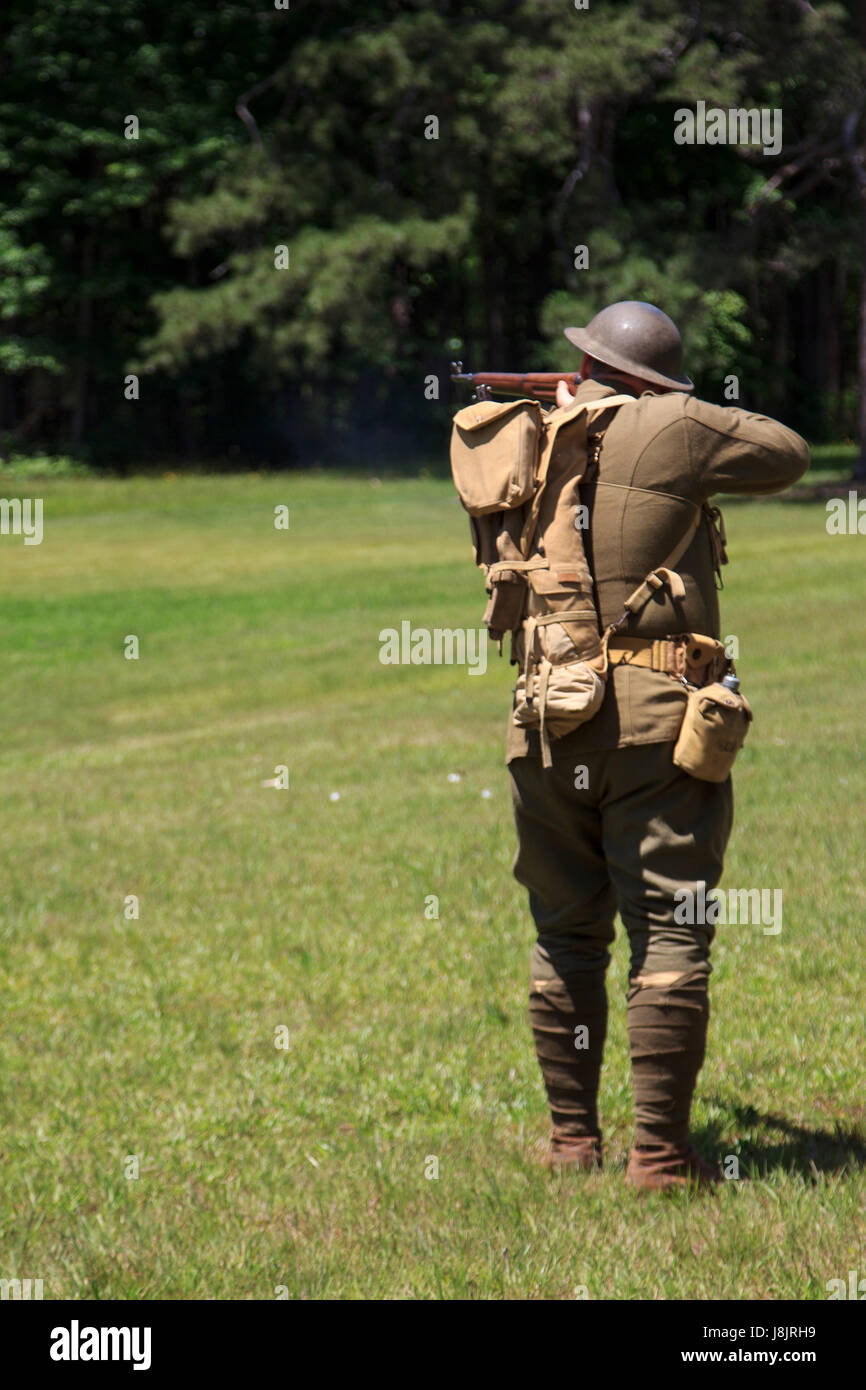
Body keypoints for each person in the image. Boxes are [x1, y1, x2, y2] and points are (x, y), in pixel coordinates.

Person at [507, 301, 809, 1191]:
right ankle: (662, 1158)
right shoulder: (676, 422)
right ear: (656, 377)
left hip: (544, 715)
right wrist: (669, 402)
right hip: (652, 717)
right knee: (672, 932)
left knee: (565, 933)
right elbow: (785, 451)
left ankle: (571, 1143)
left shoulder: (528, 433)